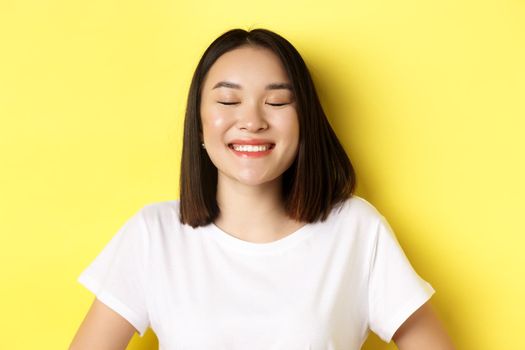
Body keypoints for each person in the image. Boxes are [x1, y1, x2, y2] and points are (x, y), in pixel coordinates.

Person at [69, 28, 454, 349]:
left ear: (304, 122)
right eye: (228, 100)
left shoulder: (355, 229)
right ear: (199, 124)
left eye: (277, 101)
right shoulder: (154, 234)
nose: (252, 121)